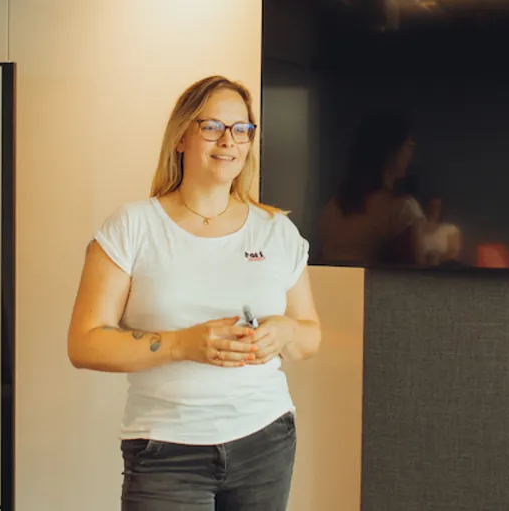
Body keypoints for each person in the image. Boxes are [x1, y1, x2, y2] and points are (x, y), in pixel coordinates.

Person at [67, 75, 322, 511]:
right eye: (213, 127)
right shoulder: (133, 226)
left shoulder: (277, 230)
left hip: (266, 440)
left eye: (242, 129)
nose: (230, 141)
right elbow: (84, 343)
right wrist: (183, 344)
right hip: (166, 450)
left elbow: (309, 337)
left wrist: (283, 332)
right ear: (181, 137)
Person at [317, 113, 427, 265]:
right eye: (408, 144)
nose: (410, 153)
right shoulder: (402, 210)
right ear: (391, 149)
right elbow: (413, 280)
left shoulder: (333, 206)